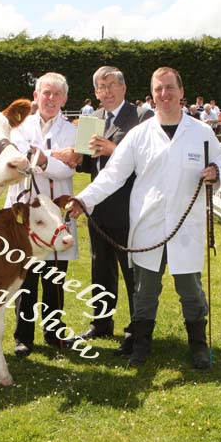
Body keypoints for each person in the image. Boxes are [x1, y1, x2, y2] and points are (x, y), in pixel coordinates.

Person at [66, 67, 221, 369]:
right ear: (152, 95)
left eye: (169, 88)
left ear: (181, 92)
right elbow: (112, 175)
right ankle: (141, 345)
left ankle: (198, 346)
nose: (164, 94)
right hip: (148, 227)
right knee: (145, 292)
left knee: (191, 291)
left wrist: (216, 172)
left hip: (185, 227)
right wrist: (83, 199)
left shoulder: (201, 132)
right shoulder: (140, 134)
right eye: (158, 89)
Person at [72, 66, 154, 346]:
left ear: (123, 88)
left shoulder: (142, 117)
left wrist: (113, 150)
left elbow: (149, 161)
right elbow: (84, 165)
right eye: (100, 87)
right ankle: (101, 323)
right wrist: (68, 156)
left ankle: (137, 328)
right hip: (97, 208)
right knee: (100, 268)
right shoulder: (92, 119)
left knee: (132, 271)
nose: (106, 92)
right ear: (95, 92)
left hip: (130, 208)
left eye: (111, 85)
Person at [5, 72, 79, 355]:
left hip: (57, 214)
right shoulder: (19, 127)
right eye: (45, 93)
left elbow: (68, 168)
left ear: (64, 99)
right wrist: (53, 156)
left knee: (55, 278)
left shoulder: (72, 130)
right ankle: (23, 337)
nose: (50, 98)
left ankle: (54, 333)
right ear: (35, 96)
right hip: (24, 212)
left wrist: (44, 158)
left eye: (56, 94)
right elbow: (20, 160)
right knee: (25, 279)